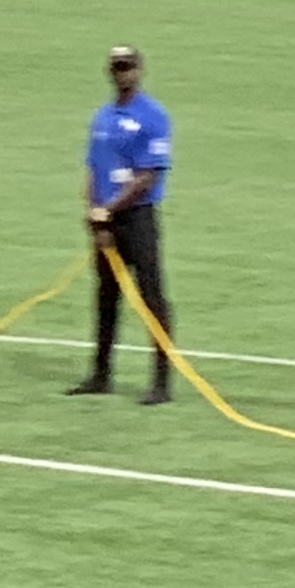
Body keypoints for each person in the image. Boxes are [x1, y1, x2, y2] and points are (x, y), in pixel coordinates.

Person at [71, 43, 176, 402]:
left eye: (128, 66)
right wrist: (93, 212)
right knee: (106, 296)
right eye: (117, 67)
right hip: (106, 222)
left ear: (139, 70)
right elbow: (93, 167)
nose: (123, 73)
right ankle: (101, 374)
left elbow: (147, 176)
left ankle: (161, 382)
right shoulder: (102, 117)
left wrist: (109, 209)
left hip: (137, 218)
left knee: (151, 297)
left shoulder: (153, 115)